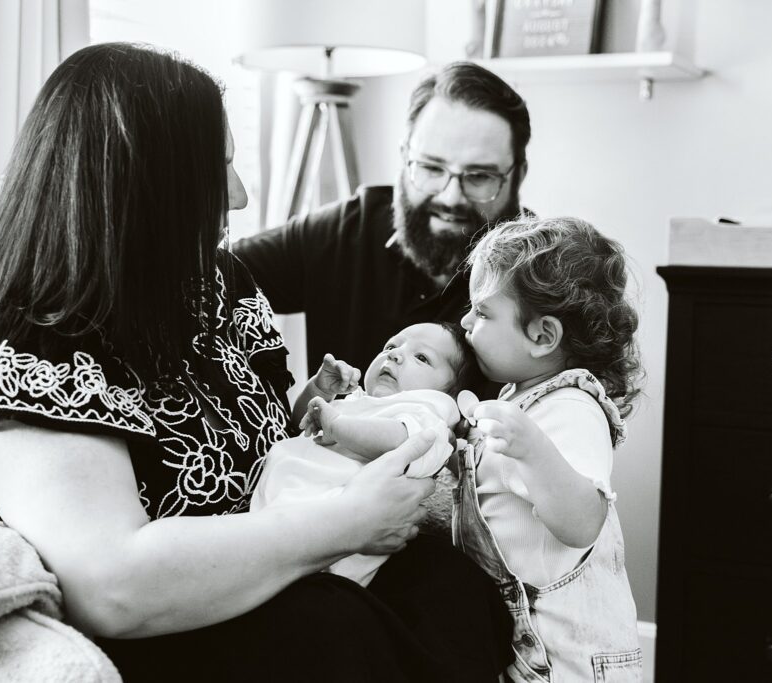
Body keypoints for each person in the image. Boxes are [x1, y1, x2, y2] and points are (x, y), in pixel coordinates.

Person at [0, 43, 512, 682]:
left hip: (273, 555)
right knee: (328, 626)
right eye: (219, 166)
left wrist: (314, 406)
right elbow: (112, 584)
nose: (242, 195)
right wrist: (346, 521)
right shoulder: (25, 338)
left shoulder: (216, 284)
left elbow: (267, 439)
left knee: (451, 586)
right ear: (147, 182)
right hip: (170, 614)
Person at [232, 61, 531, 382]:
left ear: (518, 177)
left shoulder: (545, 274)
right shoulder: (347, 229)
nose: (450, 197)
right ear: (404, 159)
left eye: (479, 176)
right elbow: (206, 276)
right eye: (431, 168)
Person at [456, 216, 645, 682]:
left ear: (542, 336)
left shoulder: (572, 407)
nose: (465, 322)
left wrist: (532, 448)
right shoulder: (519, 396)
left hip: (572, 659)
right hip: (527, 641)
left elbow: (582, 522)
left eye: (481, 312)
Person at [252, 321, 482, 586]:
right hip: (280, 516)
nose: (395, 354)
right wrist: (319, 392)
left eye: (421, 357)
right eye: (391, 346)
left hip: (334, 545)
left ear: (450, 394)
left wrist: (338, 426)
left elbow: (400, 440)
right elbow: (300, 425)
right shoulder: (358, 401)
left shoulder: (429, 413)